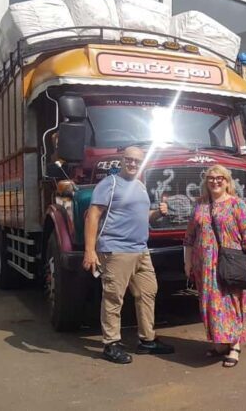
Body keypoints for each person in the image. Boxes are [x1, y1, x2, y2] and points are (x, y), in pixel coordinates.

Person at [83, 146, 174, 364]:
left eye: (137, 161)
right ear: (121, 161)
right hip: (116, 250)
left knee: (148, 292)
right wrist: (89, 251)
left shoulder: (141, 186)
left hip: (141, 249)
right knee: (114, 297)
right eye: (129, 160)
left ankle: (147, 341)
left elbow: (144, 217)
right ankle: (111, 344)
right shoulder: (110, 184)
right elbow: (92, 216)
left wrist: (158, 213)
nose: (133, 164)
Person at [183, 164, 246, 368]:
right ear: (206, 182)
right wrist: (187, 261)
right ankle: (220, 343)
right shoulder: (200, 205)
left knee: (231, 302)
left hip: (229, 262)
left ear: (227, 181)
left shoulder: (237, 204)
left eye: (220, 178)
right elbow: (189, 237)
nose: (215, 181)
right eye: (211, 178)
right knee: (211, 304)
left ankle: (234, 345)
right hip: (204, 266)